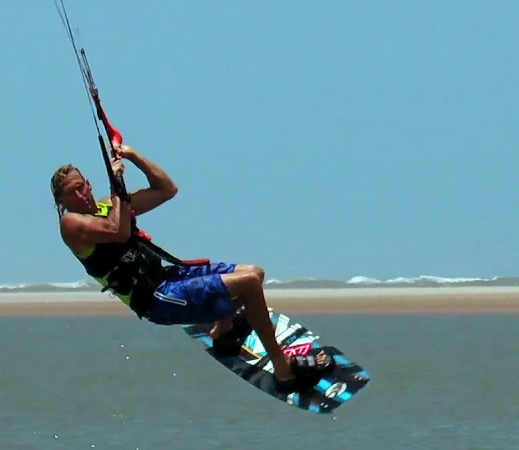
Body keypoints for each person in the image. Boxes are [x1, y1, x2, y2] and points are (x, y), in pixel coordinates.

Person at [51, 144, 327, 393]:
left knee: (254, 272)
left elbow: (166, 190)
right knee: (249, 286)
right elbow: (119, 232)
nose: (80, 194)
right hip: (155, 299)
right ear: (61, 202)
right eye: (71, 193)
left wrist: (132, 156)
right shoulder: (72, 224)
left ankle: (223, 331)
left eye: (81, 186)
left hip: (169, 277)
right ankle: (283, 369)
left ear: (88, 183)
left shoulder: (109, 207)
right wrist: (118, 185)